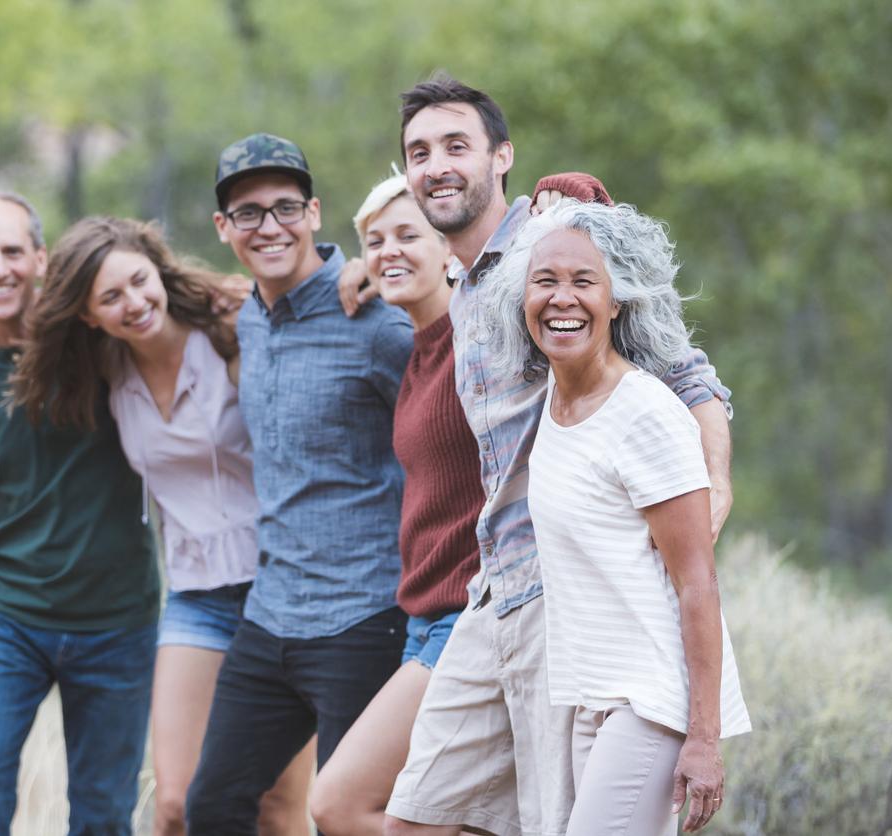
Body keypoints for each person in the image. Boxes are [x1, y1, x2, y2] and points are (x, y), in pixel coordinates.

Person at [331, 75, 735, 836]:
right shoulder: (460, 286)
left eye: (458, 146)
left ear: (502, 156)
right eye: (419, 153)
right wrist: (355, 272)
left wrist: (716, 487)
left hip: (565, 591)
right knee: (412, 819)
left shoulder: (552, 246)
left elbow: (689, 372)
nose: (438, 165)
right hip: (492, 593)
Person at [311, 171, 612, 836]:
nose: (390, 250)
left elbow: (570, 283)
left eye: (408, 235)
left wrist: (574, 202)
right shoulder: (412, 348)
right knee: (465, 819)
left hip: (473, 613)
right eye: (374, 240)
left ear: (451, 246)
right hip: (422, 619)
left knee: (339, 803)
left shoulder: (489, 336)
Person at [9, 216, 313, 836]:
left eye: (139, 283)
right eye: (111, 298)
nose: (134, 304)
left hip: (281, 593)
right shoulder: (107, 371)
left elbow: (307, 300)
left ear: (159, 272)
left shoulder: (229, 329)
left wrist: (357, 275)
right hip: (195, 598)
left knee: (279, 809)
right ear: (89, 316)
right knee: (174, 804)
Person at [482, 198, 751, 834]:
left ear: (617, 301)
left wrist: (703, 739)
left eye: (584, 282)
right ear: (521, 301)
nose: (562, 299)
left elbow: (697, 583)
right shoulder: (553, 398)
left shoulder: (646, 414)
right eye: (545, 281)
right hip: (589, 697)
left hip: (651, 698)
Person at [0, 191, 159, 835]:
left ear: (41, 259)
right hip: (5, 620)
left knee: (103, 810)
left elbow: (173, 309)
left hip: (117, 620)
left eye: (13, 251)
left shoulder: (96, 340)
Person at [184, 134, 416, 835]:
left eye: (286, 207)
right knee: (212, 807)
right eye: (248, 214)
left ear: (315, 213)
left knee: (346, 818)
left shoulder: (379, 322)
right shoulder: (246, 318)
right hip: (270, 615)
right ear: (224, 229)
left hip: (364, 615)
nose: (270, 226)